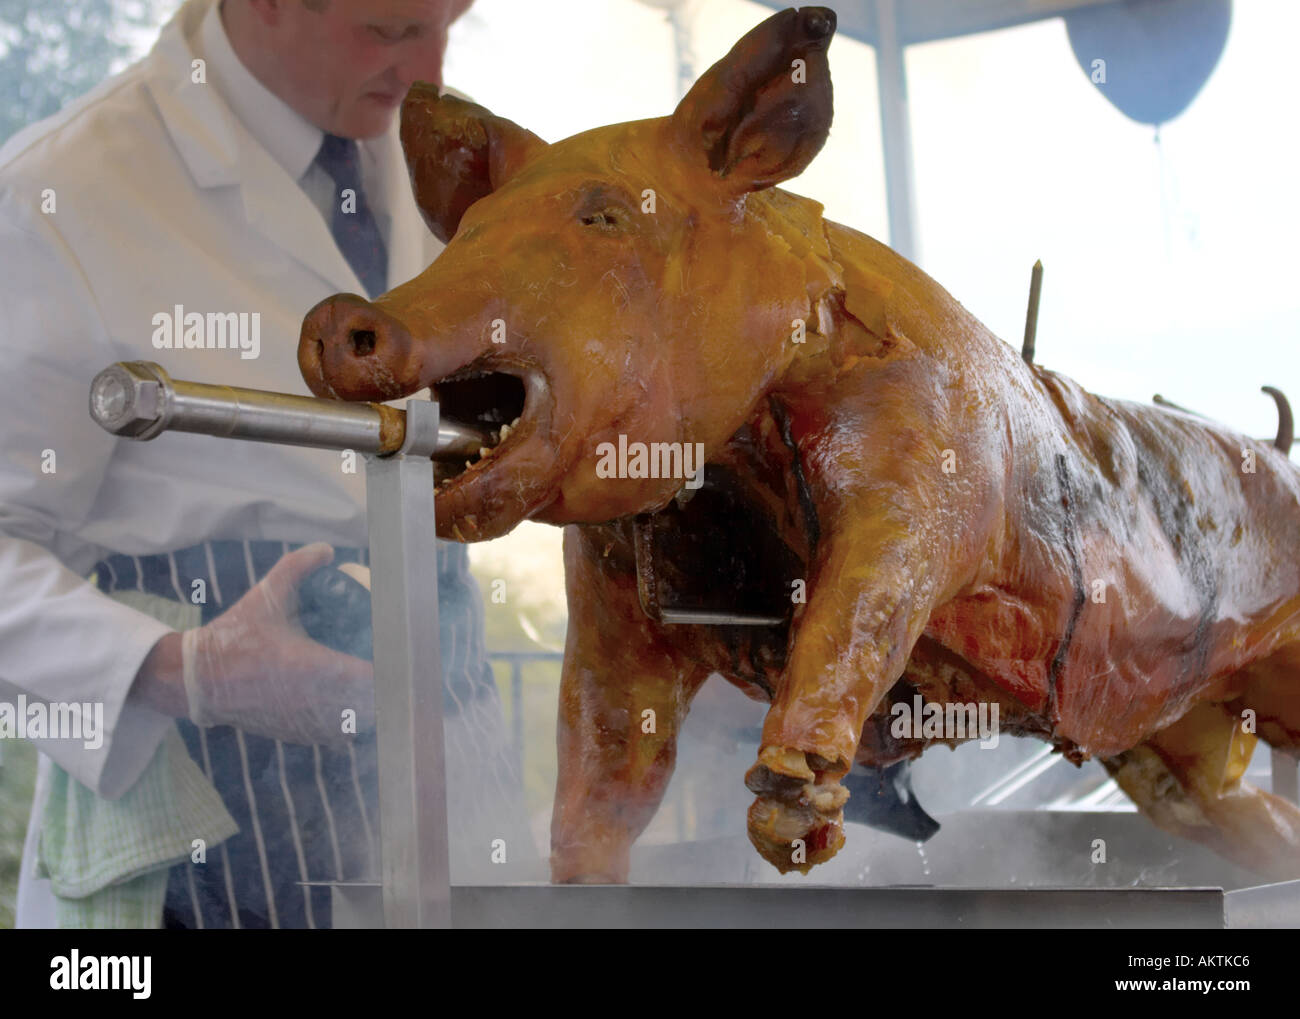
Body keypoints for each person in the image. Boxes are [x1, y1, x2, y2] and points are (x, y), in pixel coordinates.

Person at [0, 0, 537, 929]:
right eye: (391, 28)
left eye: (451, 18)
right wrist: (189, 669)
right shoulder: (64, 191)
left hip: (452, 745)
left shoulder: (449, 166)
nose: (432, 69)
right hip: (209, 798)